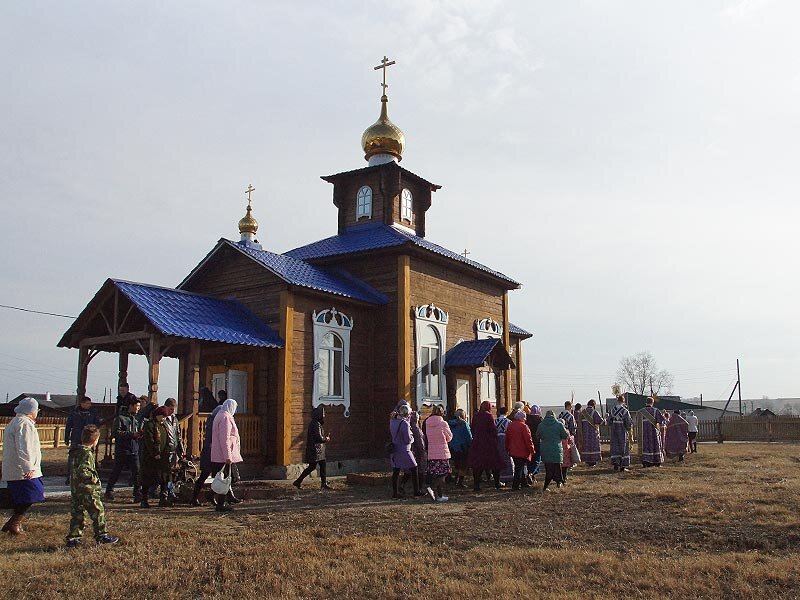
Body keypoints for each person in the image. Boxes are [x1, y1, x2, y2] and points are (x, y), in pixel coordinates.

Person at [65, 425, 119, 547]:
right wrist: (94, 480)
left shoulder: (75, 451)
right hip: (87, 489)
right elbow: (83, 470)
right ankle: (102, 535)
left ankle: (74, 537)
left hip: (76, 489)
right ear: (95, 440)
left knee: (77, 513)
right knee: (98, 511)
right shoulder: (86, 453)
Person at [1, 397, 44, 535]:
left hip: (21, 469)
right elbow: (24, 447)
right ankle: (14, 523)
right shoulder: (23, 423)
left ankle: (14, 523)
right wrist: (28, 467)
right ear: (31, 410)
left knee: (25, 496)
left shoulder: (18, 422)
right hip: (22, 470)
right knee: (30, 494)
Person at [105, 396, 143, 502]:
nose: (138, 408)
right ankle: (109, 491)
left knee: (137, 472)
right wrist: (131, 434)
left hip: (134, 449)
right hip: (122, 450)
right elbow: (116, 433)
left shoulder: (135, 419)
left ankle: (137, 493)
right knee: (116, 471)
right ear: (131, 406)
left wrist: (139, 435)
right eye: (137, 406)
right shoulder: (120, 418)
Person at [210, 398, 243, 512]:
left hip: (219, 454)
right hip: (223, 455)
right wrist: (228, 457)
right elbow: (225, 439)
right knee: (226, 479)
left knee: (224, 478)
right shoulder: (226, 418)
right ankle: (220, 504)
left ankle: (215, 496)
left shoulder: (220, 415)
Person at [191, 401, 225, 506]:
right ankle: (196, 497)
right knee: (208, 476)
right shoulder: (214, 422)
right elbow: (211, 439)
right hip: (211, 453)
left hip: (211, 453)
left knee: (215, 477)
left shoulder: (213, 420)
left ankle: (205, 496)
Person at [139, 406, 171, 508]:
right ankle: (144, 499)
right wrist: (155, 453)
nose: (164, 419)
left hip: (163, 457)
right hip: (150, 458)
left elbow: (167, 439)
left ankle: (163, 498)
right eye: (162, 416)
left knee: (164, 478)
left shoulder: (163, 426)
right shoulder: (149, 425)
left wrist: (166, 451)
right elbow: (149, 440)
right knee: (147, 478)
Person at [64, 396, 101, 485]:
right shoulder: (75, 413)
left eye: (90, 403)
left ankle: (87, 476)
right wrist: (66, 437)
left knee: (87, 457)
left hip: (88, 438)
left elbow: (97, 424)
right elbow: (69, 425)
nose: (89, 405)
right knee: (73, 458)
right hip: (76, 438)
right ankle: (70, 476)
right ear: (82, 403)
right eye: (87, 403)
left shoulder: (92, 413)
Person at [468, 401, 504, 492]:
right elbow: (492, 429)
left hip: (477, 443)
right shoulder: (488, 416)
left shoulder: (476, 416)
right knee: (495, 464)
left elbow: (472, 428)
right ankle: (497, 484)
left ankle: (476, 485)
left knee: (478, 465)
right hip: (488, 443)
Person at [293, 406, 331, 490]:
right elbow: (319, 438)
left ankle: (323, 483)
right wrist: (326, 439)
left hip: (316, 450)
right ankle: (298, 481)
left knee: (320, 466)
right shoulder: (316, 424)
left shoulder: (313, 423)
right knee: (313, 467)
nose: (323, 416)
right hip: (316, 450)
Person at [389, 402, 419, 499]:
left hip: (395, 448)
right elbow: (408, 439)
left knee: (396, 471)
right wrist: (413, 438)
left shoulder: (392, 421)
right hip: (404, 449)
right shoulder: (405, 424)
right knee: (414, 468)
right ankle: (416, 491)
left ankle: (395, 492)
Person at [424, 404, 453, 502]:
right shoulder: (443, 423)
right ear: (441, 412)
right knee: (444, 473)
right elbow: (449, 437)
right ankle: (434, 490)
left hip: (432, 452)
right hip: (442, 452)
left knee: (435, 473)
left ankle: (437, 494)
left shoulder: (427, 422)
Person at [536, 410, 569, 492]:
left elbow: (537, 435)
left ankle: (547, 486)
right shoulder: (559, 425)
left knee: (548, 468)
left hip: (545, 449)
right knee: (557, 467)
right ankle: (559, 483)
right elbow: (565, 436)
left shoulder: (541, 425)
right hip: (557, 449)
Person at [162, 398, 185, 502]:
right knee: (165, 473)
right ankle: (165, 494)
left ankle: (170, 492)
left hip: (174, 448)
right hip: (165, 449)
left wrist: (180, 448)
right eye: (170, 409)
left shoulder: (174, 419)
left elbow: (178, 434)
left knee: (173, 473)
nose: (172, 411)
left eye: (173, 409)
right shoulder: (162, 419)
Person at [505, 411, 534, 490]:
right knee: (519, 469)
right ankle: (515, 486)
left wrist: (507, 448)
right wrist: (532, 449)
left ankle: (524, 483)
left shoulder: (510, 425)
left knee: (519, 467)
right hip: (522, 451)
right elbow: (528, 439)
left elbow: (507, 438)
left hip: (513, 450)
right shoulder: (524, 426)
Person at [447, 409, 472, 488]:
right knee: (463, 465)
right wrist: (470, 444)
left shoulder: (449, 424)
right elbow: (468, 436)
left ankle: (455, 480)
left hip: (452, 447)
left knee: (456, 464)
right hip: (463, 447)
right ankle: (460, 482)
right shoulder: (463, 424)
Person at [608, 395, 632, 472]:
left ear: (617, 401)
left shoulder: (612, 410)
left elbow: (609, 422)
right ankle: (622, 466)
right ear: (623, 401)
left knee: (615, 446)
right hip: (622, 431)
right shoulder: (625, 411)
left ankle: (615, 463)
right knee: (623, 446)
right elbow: (628, 422)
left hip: (614, 431)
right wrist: (628, 428)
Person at [641, 397, 666, 467]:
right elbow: (661, 420)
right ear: (652, 403)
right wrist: (663, 414)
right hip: (653, 432)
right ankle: (656, 461)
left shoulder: (641, 411)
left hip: (645, 432)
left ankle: (646, 461)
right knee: (655, 445)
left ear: (646, 402)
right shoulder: (655, 410)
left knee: (646, 446)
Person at [407, 409, 427, 495]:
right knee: (420, 470)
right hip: (419, 452)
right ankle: (420, 489)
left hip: (414, 451)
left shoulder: (409, 426)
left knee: (412, 471)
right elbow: (420, 442)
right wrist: (423, 451)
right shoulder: (416, 428)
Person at [579, 400, 603, 466]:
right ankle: (593, 461)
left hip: (585, 433)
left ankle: (587, 460)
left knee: (586, 446)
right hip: (593, 433)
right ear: (594, 405)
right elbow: (600, 421)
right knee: (593, 447)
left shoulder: (582, 413)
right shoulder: (594, 412)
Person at [495, 406, 514, 484]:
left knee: (499, 458)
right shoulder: (509, 422)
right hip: (506, 440)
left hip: (496, 440)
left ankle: (499, 476)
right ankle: (508, 476)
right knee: (507, 458)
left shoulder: (495, 421)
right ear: (507, 412)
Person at [526, 404, 544, 482]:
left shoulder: (527, 419)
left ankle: (532, 476)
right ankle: (531, 473)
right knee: (537, 459)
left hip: (528, 442)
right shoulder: (540, 420)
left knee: (530, 459)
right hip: (537, 442)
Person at [559, 418, 575, 484]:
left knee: (559, 466)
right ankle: (564, 478)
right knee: (565, 467)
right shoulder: (566, 431)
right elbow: (570, 441)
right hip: (566, 451)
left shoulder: (556, 432)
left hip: (559, 450)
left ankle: (560, 478)